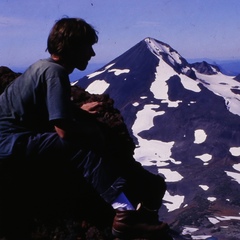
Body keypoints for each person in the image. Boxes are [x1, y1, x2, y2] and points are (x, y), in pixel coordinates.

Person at [0, 17, 170, 239]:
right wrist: (92, 131)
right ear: (71, 47)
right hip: (10, 146)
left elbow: (43, 107)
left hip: (9, 141)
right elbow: (63, 131)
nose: (92, 54)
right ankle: (124, 217)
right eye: (87, 46)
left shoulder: (41, 67)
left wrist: (76, 110)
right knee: (82, 145)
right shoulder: (55, 73)